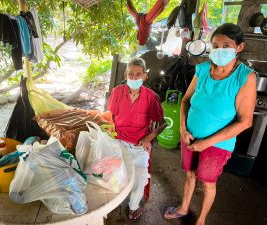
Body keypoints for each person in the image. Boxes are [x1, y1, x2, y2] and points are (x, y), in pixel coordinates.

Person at [163, 23, 257, 225]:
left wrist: (207, 143)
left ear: (239, 47)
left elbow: (245, 121)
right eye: (215, 46)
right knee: (189, 174)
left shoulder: (244, 77)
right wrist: (182, 130)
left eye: (226, 45)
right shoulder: (203, 69)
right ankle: (183, 208)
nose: (219, 50)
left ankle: (201, 220)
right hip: (190, 136)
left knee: (207, 182)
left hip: (217, 144)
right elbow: (186, 100)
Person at [107, 57, 166, 221]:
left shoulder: (151, 97)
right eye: (130, 74)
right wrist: (107, 139)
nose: (134, 78)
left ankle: (133, 205)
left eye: (138, 74)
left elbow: (163, 124)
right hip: (117, 141)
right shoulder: (117, 92)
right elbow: (108, 118)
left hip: (139, 145)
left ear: (145, 76)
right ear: (125, 75)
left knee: (140, 176)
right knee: (108, 170)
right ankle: (110, 200)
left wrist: (149, 137)